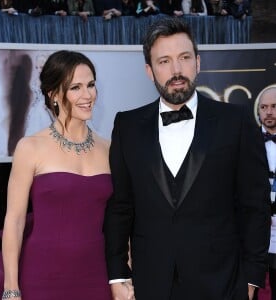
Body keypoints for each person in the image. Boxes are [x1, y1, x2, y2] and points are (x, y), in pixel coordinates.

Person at [103, 16, 271, 300]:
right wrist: (118, 273)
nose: (176, 69)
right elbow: (121, 206)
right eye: (164, 61)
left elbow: (255, 205)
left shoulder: (237, 122)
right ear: (149, 70)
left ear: (198, 62)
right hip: (150, 283)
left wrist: (252, 277)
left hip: (223, 283)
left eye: (184, 57)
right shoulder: (127, 126)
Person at [0, 50, 113, 300]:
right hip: (42, 277)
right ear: (54, 94)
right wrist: (11, 289)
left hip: (97, 274)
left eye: (90, 85)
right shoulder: (30, 147)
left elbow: (120, 221)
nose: (87, 95)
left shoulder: (109, 149)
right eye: (75, 87)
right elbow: (14, 221)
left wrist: (124, 276)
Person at [254, 86, 276, 300]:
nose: (268, 112)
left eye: (274, 107)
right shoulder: (247, 140)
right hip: (257, 229)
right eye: (264, 107)